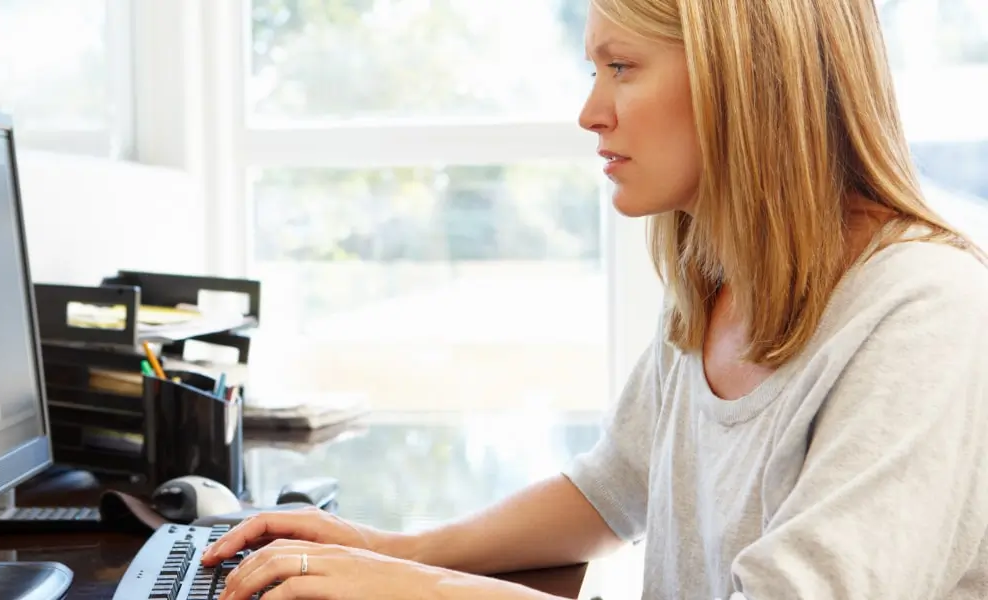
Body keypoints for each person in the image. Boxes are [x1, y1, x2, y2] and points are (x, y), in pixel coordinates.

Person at [203, 0, 988, 598]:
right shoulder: (716, 280)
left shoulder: (926, 312)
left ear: (745, 78)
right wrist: (390, 549)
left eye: (622, 67)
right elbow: (614, 487)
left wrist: (427, 591)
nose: (590, 113)